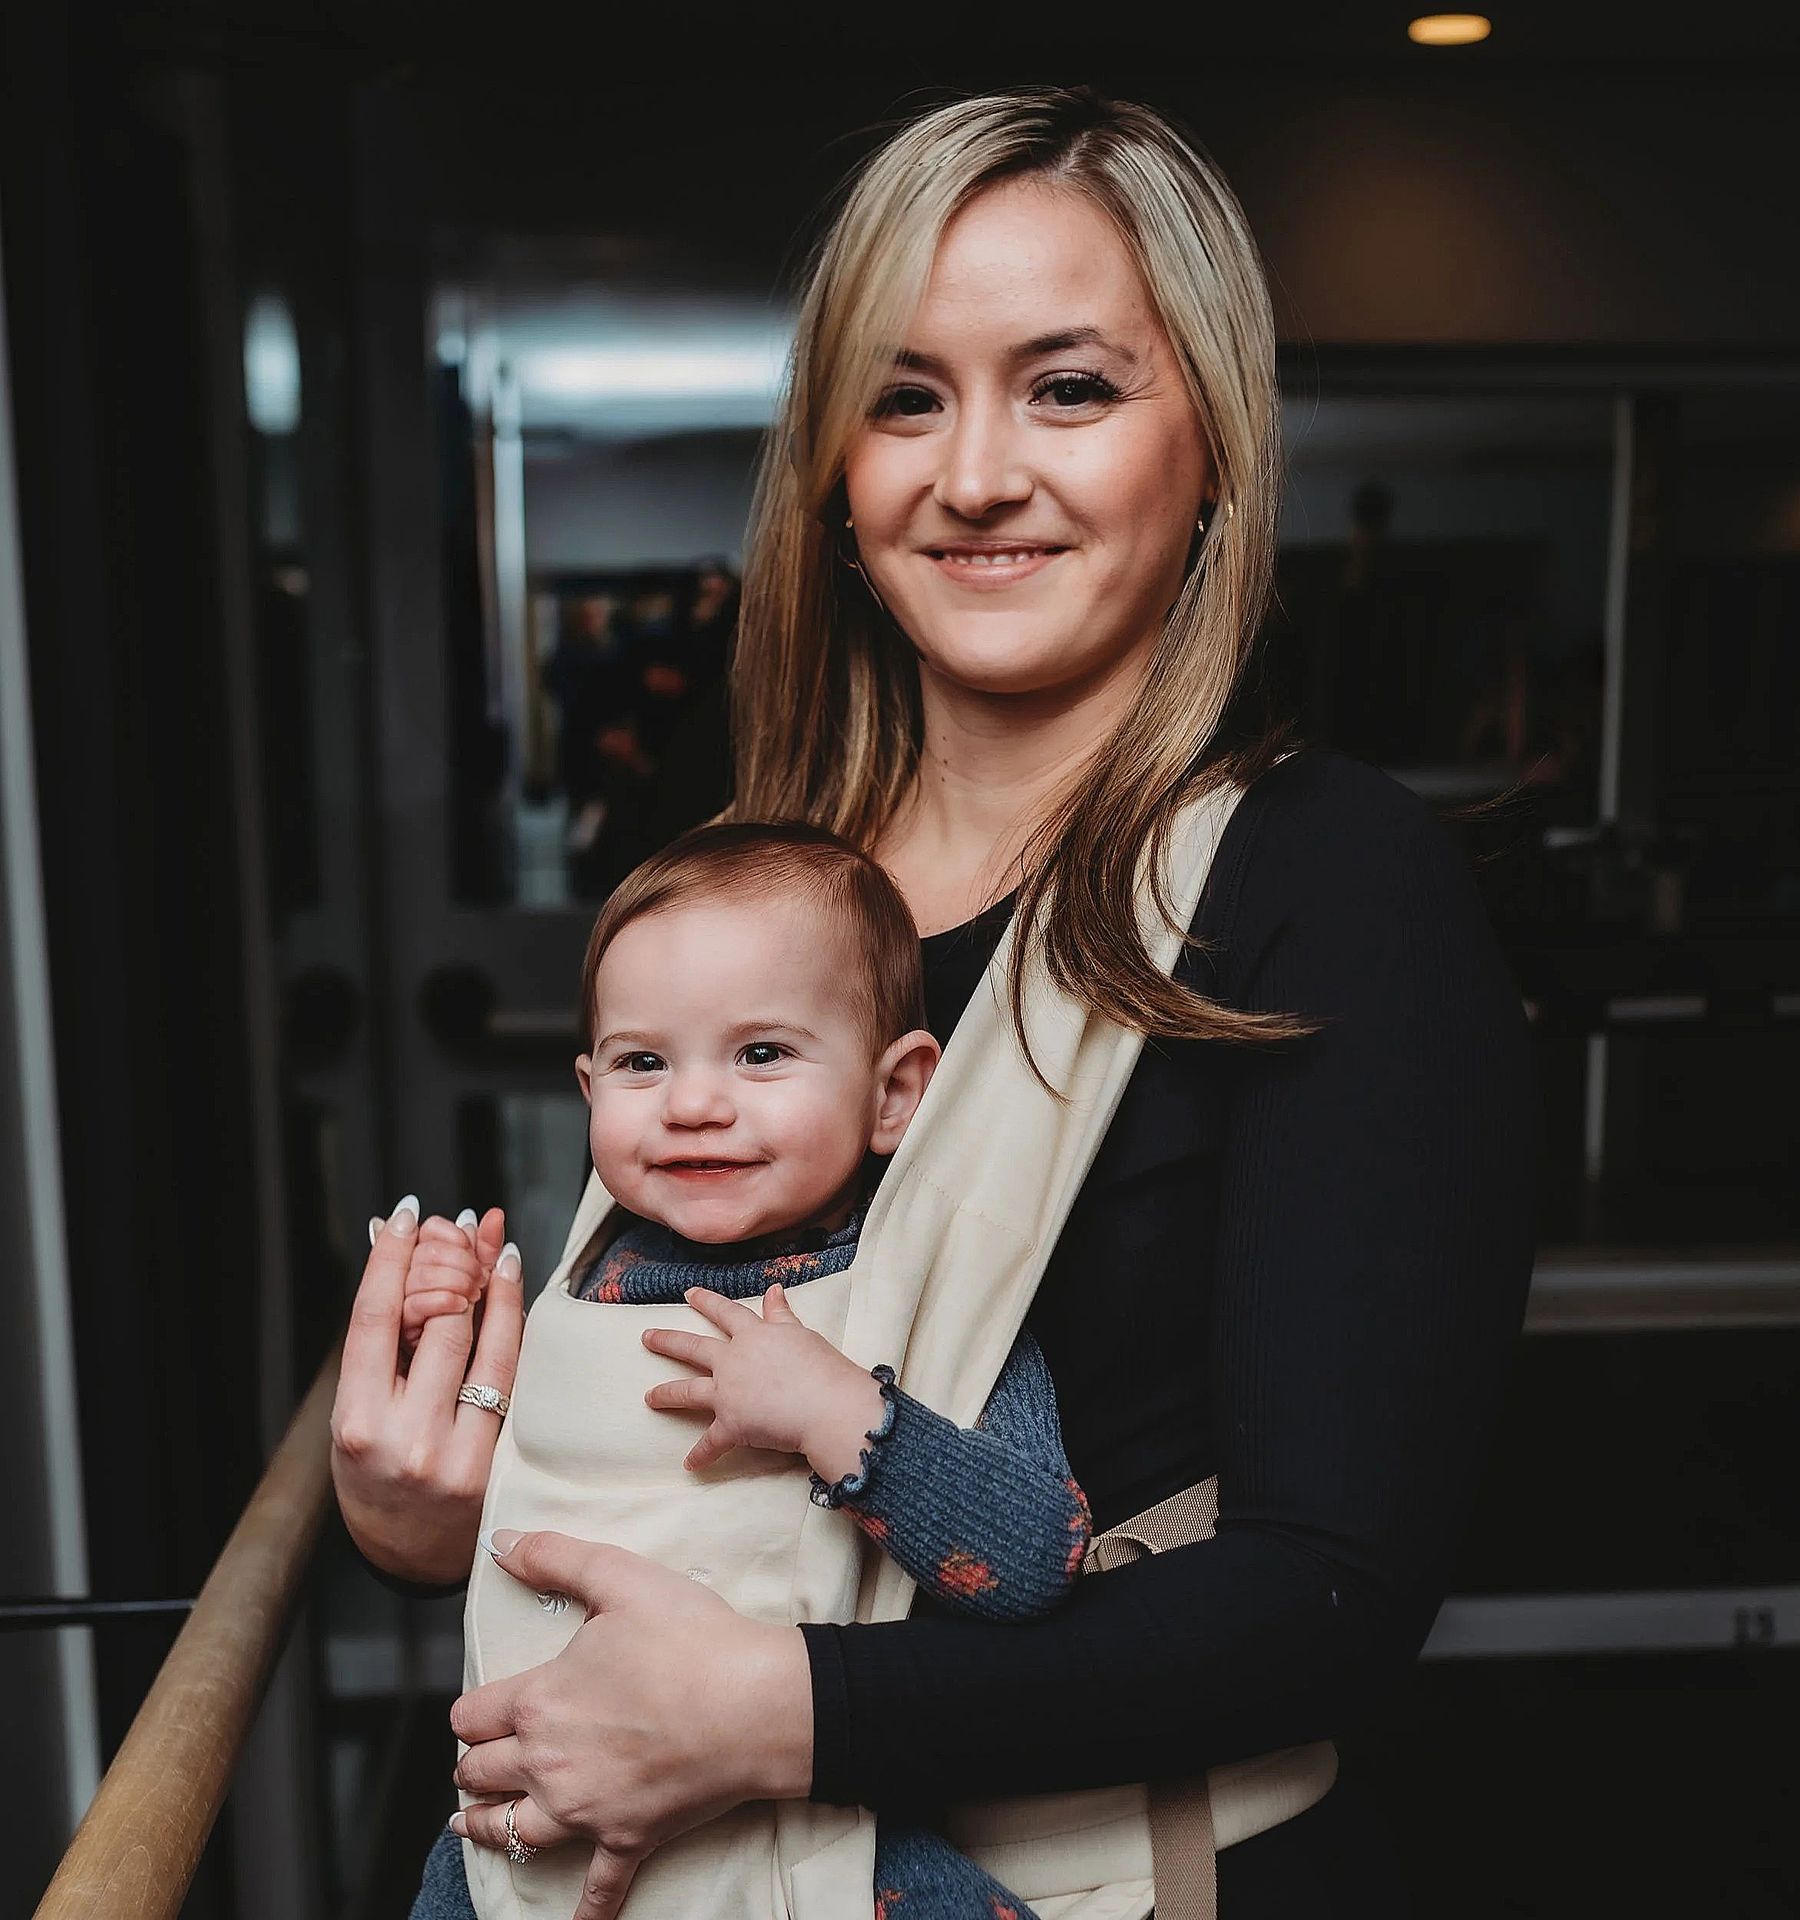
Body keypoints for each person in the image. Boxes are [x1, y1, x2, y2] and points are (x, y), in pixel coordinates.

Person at [331, 85, 1536, 1917]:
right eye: (905, 398)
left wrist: (780, 1717)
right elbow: (680, 1415)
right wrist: (433, 1515)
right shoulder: (751, 874)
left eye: (1070, 389)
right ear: (834, 463)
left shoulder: (1333, 882)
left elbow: (1329, 1598)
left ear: (1214, 443)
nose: (974, 475)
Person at [399, 821, 1090, 1920]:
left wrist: (840, 1415)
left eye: (761, 1053)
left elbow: (1036, 1562)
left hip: (821, 1857)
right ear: (588, 1089)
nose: (692, 1104)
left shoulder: (921, 1300)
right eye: (642, 1062)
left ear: (894, 1092)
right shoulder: (578, 1284)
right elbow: (513, 1474)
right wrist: (441, 1326)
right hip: (516, 1857)